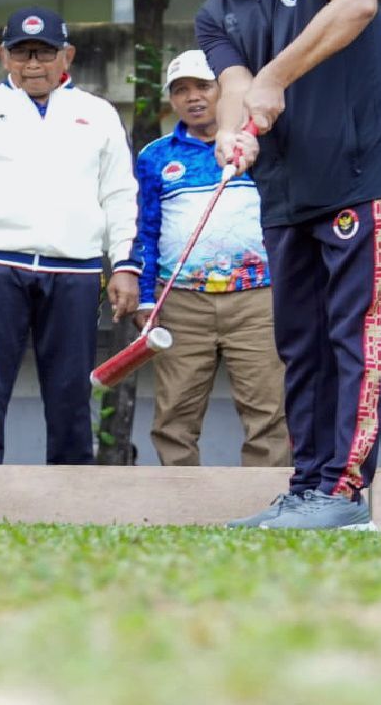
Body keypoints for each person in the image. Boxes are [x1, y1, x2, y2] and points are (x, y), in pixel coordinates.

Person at [173, 0, 381, 530]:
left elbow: (357, 4)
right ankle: (308, 485)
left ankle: (344, 490)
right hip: (286, 195)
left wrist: (276, 76)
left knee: (356, 337)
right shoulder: (214, 15)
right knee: (300, 346)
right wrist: (230, 130)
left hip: (361, 180)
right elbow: (234, 85)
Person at [0, 7, 141, 464]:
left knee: (71, 390)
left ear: (67, 55)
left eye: (44, 53)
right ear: (3, 56)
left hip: (75, 268)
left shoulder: (98, 112)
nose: (33, 65)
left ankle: (71, 490)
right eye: (22, 53)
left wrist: (124, 264)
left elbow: (121, 194)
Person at [130, 50, 290, 467]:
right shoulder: (155, 156)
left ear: (225, 91)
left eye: (203, 86)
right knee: (174, 415)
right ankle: (180, 500)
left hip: (257, 298)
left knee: (268, 411)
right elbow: (145, 232)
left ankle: (269, 496)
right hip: (180, 301)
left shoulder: (259, 146)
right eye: (180, 90)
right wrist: (146, 299)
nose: (193, 97)